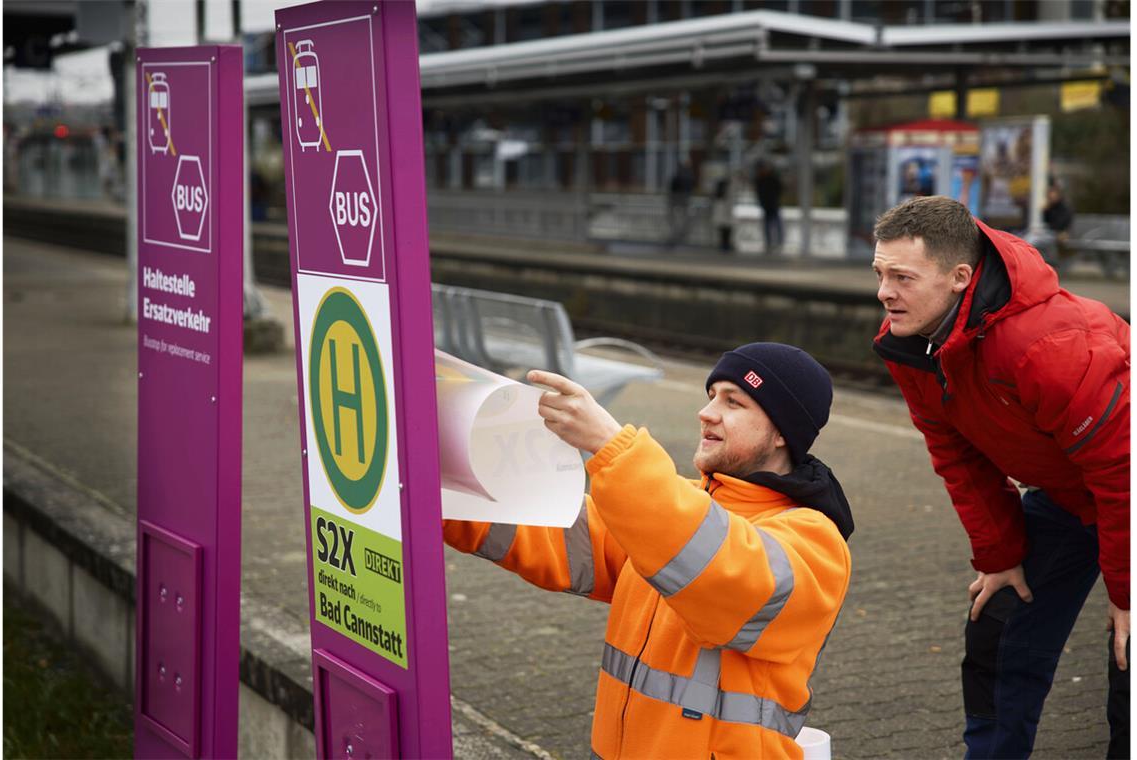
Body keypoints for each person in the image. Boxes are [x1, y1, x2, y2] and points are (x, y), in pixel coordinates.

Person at [444, 343, 854, 759]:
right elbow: (551, 531)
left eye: (734, 402)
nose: (708, 412)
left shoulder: (814, 540)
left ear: (783, 430)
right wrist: (445, 495)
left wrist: (611, 446)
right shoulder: (674, 512)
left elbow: (720, 574)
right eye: (711, 396)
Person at [871, 196, 1129, 759]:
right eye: (880, 273)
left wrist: (1127, 592)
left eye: (902, 277)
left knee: (1129, 657)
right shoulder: (912, 342)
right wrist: (999, 554)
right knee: (999, 620)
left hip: (1125, 486)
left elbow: (1121, 468)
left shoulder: (1049, 343)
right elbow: (956, 454)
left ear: (960, 277)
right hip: (1068, 495)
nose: (884, 292)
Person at [1042, 178, 1075, 272]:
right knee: (1041, 240)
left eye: (1053, 194)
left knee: (1045, 241)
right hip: (1051, 233)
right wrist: (1046, 211)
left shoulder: (1064, 208)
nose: (1050, 196)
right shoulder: (1050, 207)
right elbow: (1046, 222)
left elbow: (1060, 224)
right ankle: (1047, 263)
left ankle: (1051, 264)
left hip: (1060, 234)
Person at [755, 161, 784, 254]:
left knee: (777, 224)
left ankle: (779, 242)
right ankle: (769, 243)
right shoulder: (760, 180)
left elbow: (779, 189)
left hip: (774, 204)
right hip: (766, 206)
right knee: (767, 225)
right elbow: (759, 193)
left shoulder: (772, 178)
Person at [667, 160, 695, 248]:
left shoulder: (679, 176)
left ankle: (677, 237)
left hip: (677, 201)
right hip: (683, 201)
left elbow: (673, 187)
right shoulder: (688, 176)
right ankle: (679, 237)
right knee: (682, 221)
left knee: (677, 221)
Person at [711, 175, 736, 253]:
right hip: (726, 215)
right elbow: (730, 204)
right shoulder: (728, 191)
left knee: (723, 232)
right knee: (727, 232)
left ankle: (723, 245)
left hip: (723, 216)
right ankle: (725, 245)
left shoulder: (719, 195)